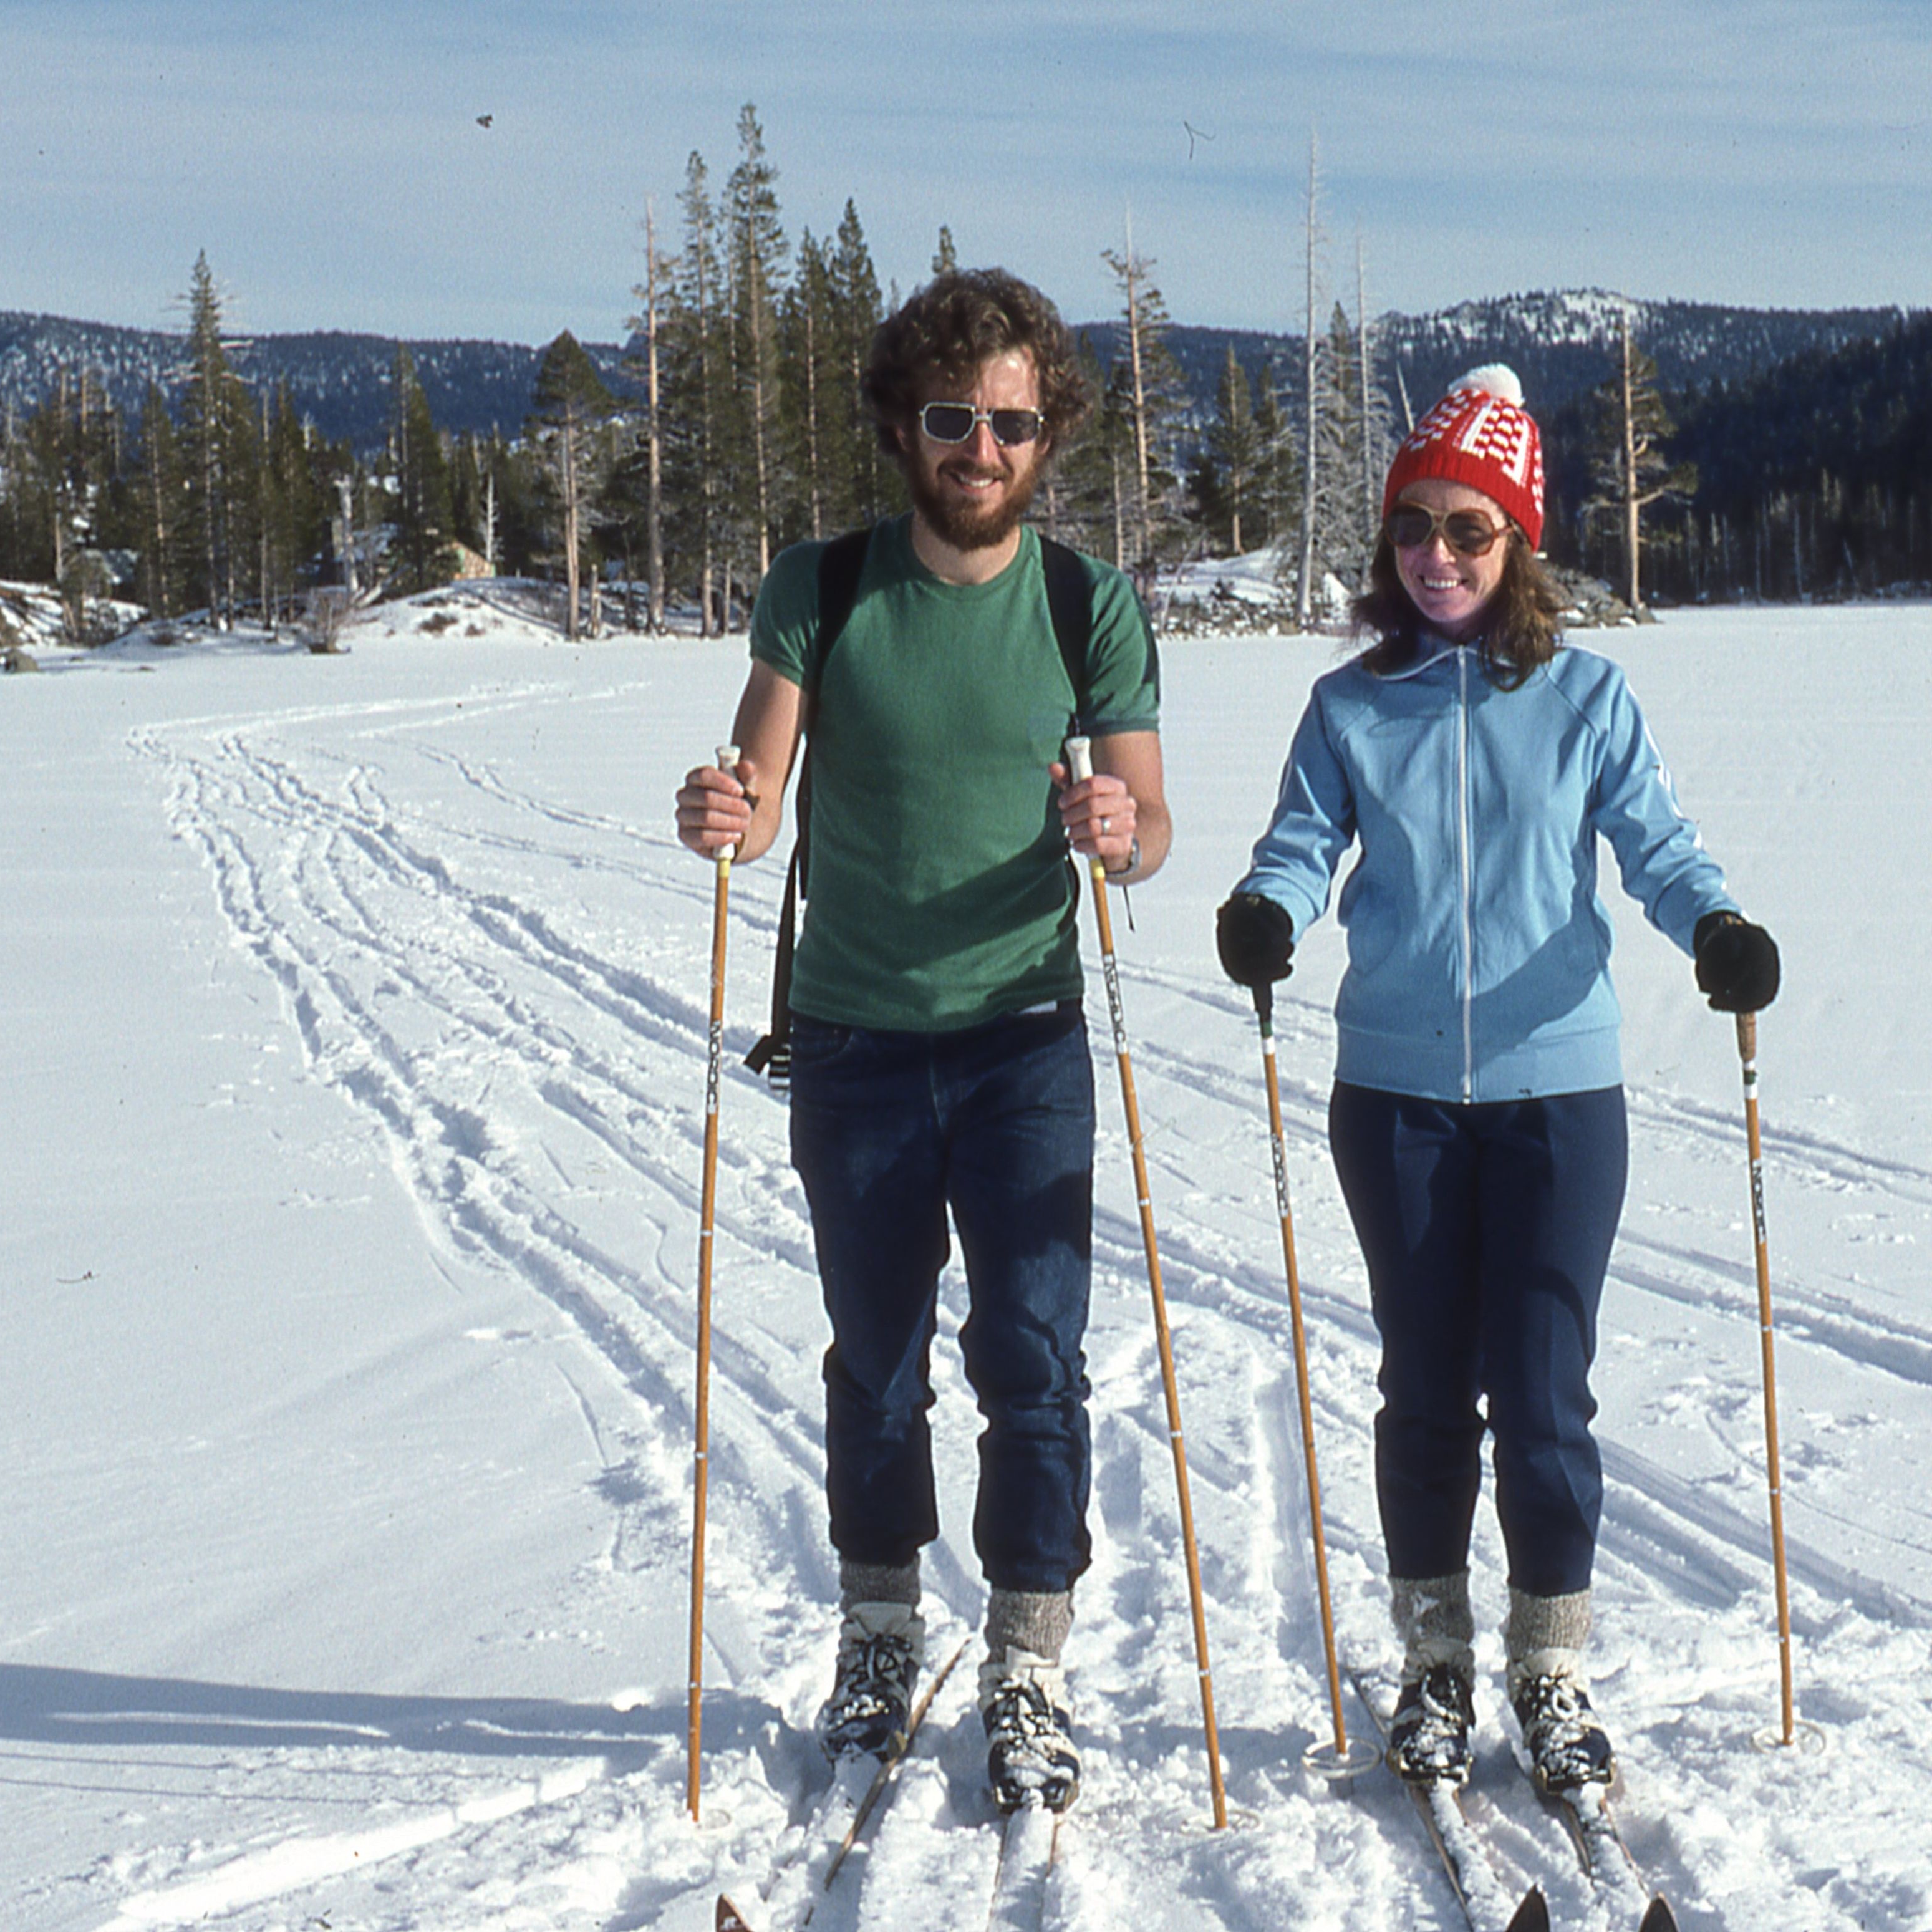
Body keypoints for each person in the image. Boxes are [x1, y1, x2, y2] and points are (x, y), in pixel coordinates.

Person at [1214, 366, 1779, 1795]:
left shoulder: (1586, 696)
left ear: (1514, 540)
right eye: (1415, 529)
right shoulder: (1351, 705)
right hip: (1395, 1097)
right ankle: (1430, 1665)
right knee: (1420, 1388)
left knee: (1539, 1392)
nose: (1439, 557)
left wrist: (1711, 925)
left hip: (1555, 1095)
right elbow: (1298, 841)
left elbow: (1655, 846)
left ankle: (1549, 1663)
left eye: (1469, 531)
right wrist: (1268, 907)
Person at [673, 269, 1170, 1813]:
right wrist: (721, 812)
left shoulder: (1088, 603)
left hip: (1023, 1034)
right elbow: (752, 787)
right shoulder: (821, 588)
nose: (979, 444)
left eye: (1008, 421)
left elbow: (1148, 826)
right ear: (902, 424)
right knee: (874, 1361)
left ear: (1043, 435)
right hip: (855, 1043)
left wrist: (1117, 826)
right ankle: (879, 1633)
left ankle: (1026, 1659)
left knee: (1031, 1352)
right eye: (951, 416)